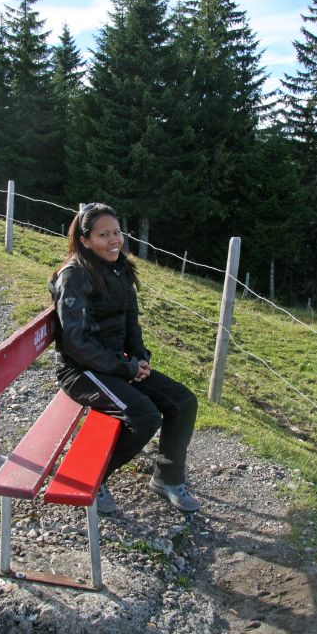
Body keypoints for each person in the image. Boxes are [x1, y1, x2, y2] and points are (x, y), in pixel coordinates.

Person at [49, 202, 200, 514]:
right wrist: (125, 367)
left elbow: (130, 321)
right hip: (82, 371)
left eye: (117, 232)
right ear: (85, 239)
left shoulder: (119, 268)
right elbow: (77, 342)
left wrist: (140, 359)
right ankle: (91, 479)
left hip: (115, 364)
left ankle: (168, 479)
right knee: (144, 416)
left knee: (183, 401)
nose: (114, 240)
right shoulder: (74, 276)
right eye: (104, 235)